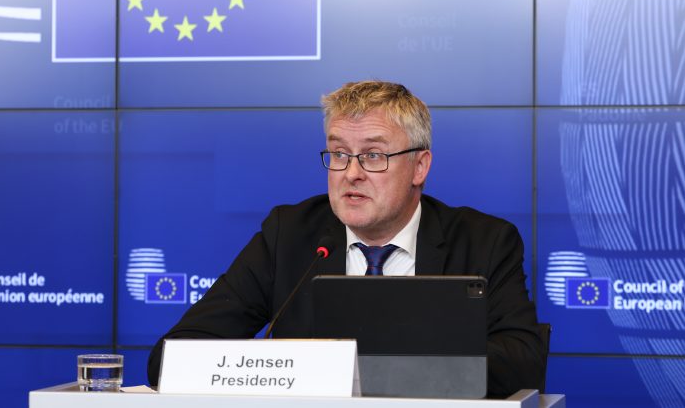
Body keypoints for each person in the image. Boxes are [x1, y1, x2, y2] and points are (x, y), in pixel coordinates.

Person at [147, 80, 545, 397]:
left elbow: (522, 361)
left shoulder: (484, 241)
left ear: (419, 167)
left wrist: (378, 369)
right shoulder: (289, 234)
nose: (351, 173)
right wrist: (281, 371)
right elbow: (172, 356)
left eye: (373, 156)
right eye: (339, 154)